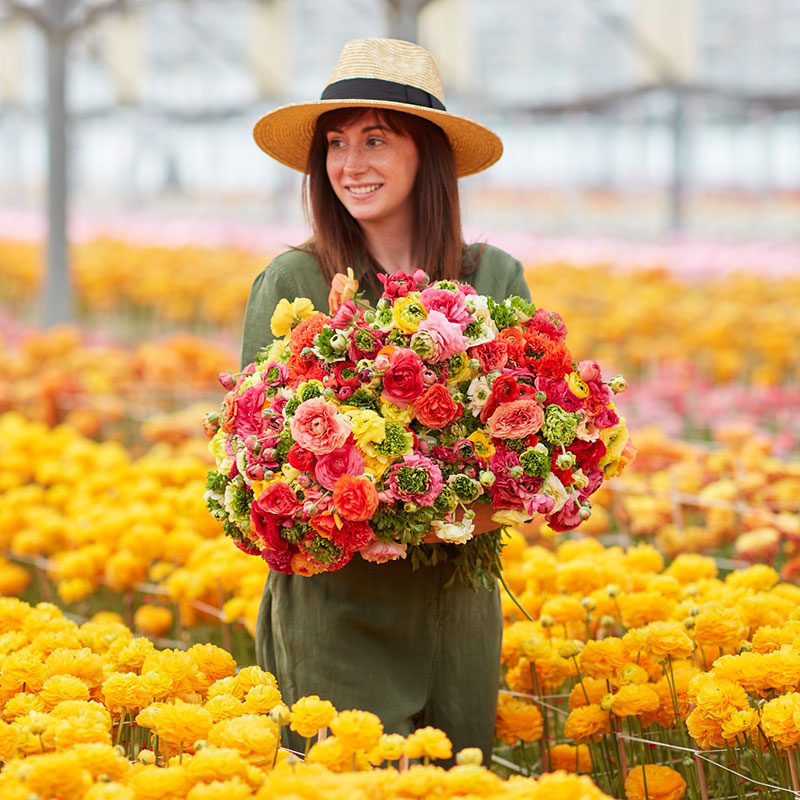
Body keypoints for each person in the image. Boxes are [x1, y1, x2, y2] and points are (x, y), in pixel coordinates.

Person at [242, 38, 532, 764]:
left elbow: (532, 452)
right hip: (337, 616)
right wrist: (359, 513)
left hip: (458, 613)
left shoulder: (492, 276)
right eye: (337, 143)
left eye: (376, 138)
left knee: (452, 779)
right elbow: (255, 463)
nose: (350, 164)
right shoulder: (293, 284)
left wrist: (462, 509)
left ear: (426, 152)